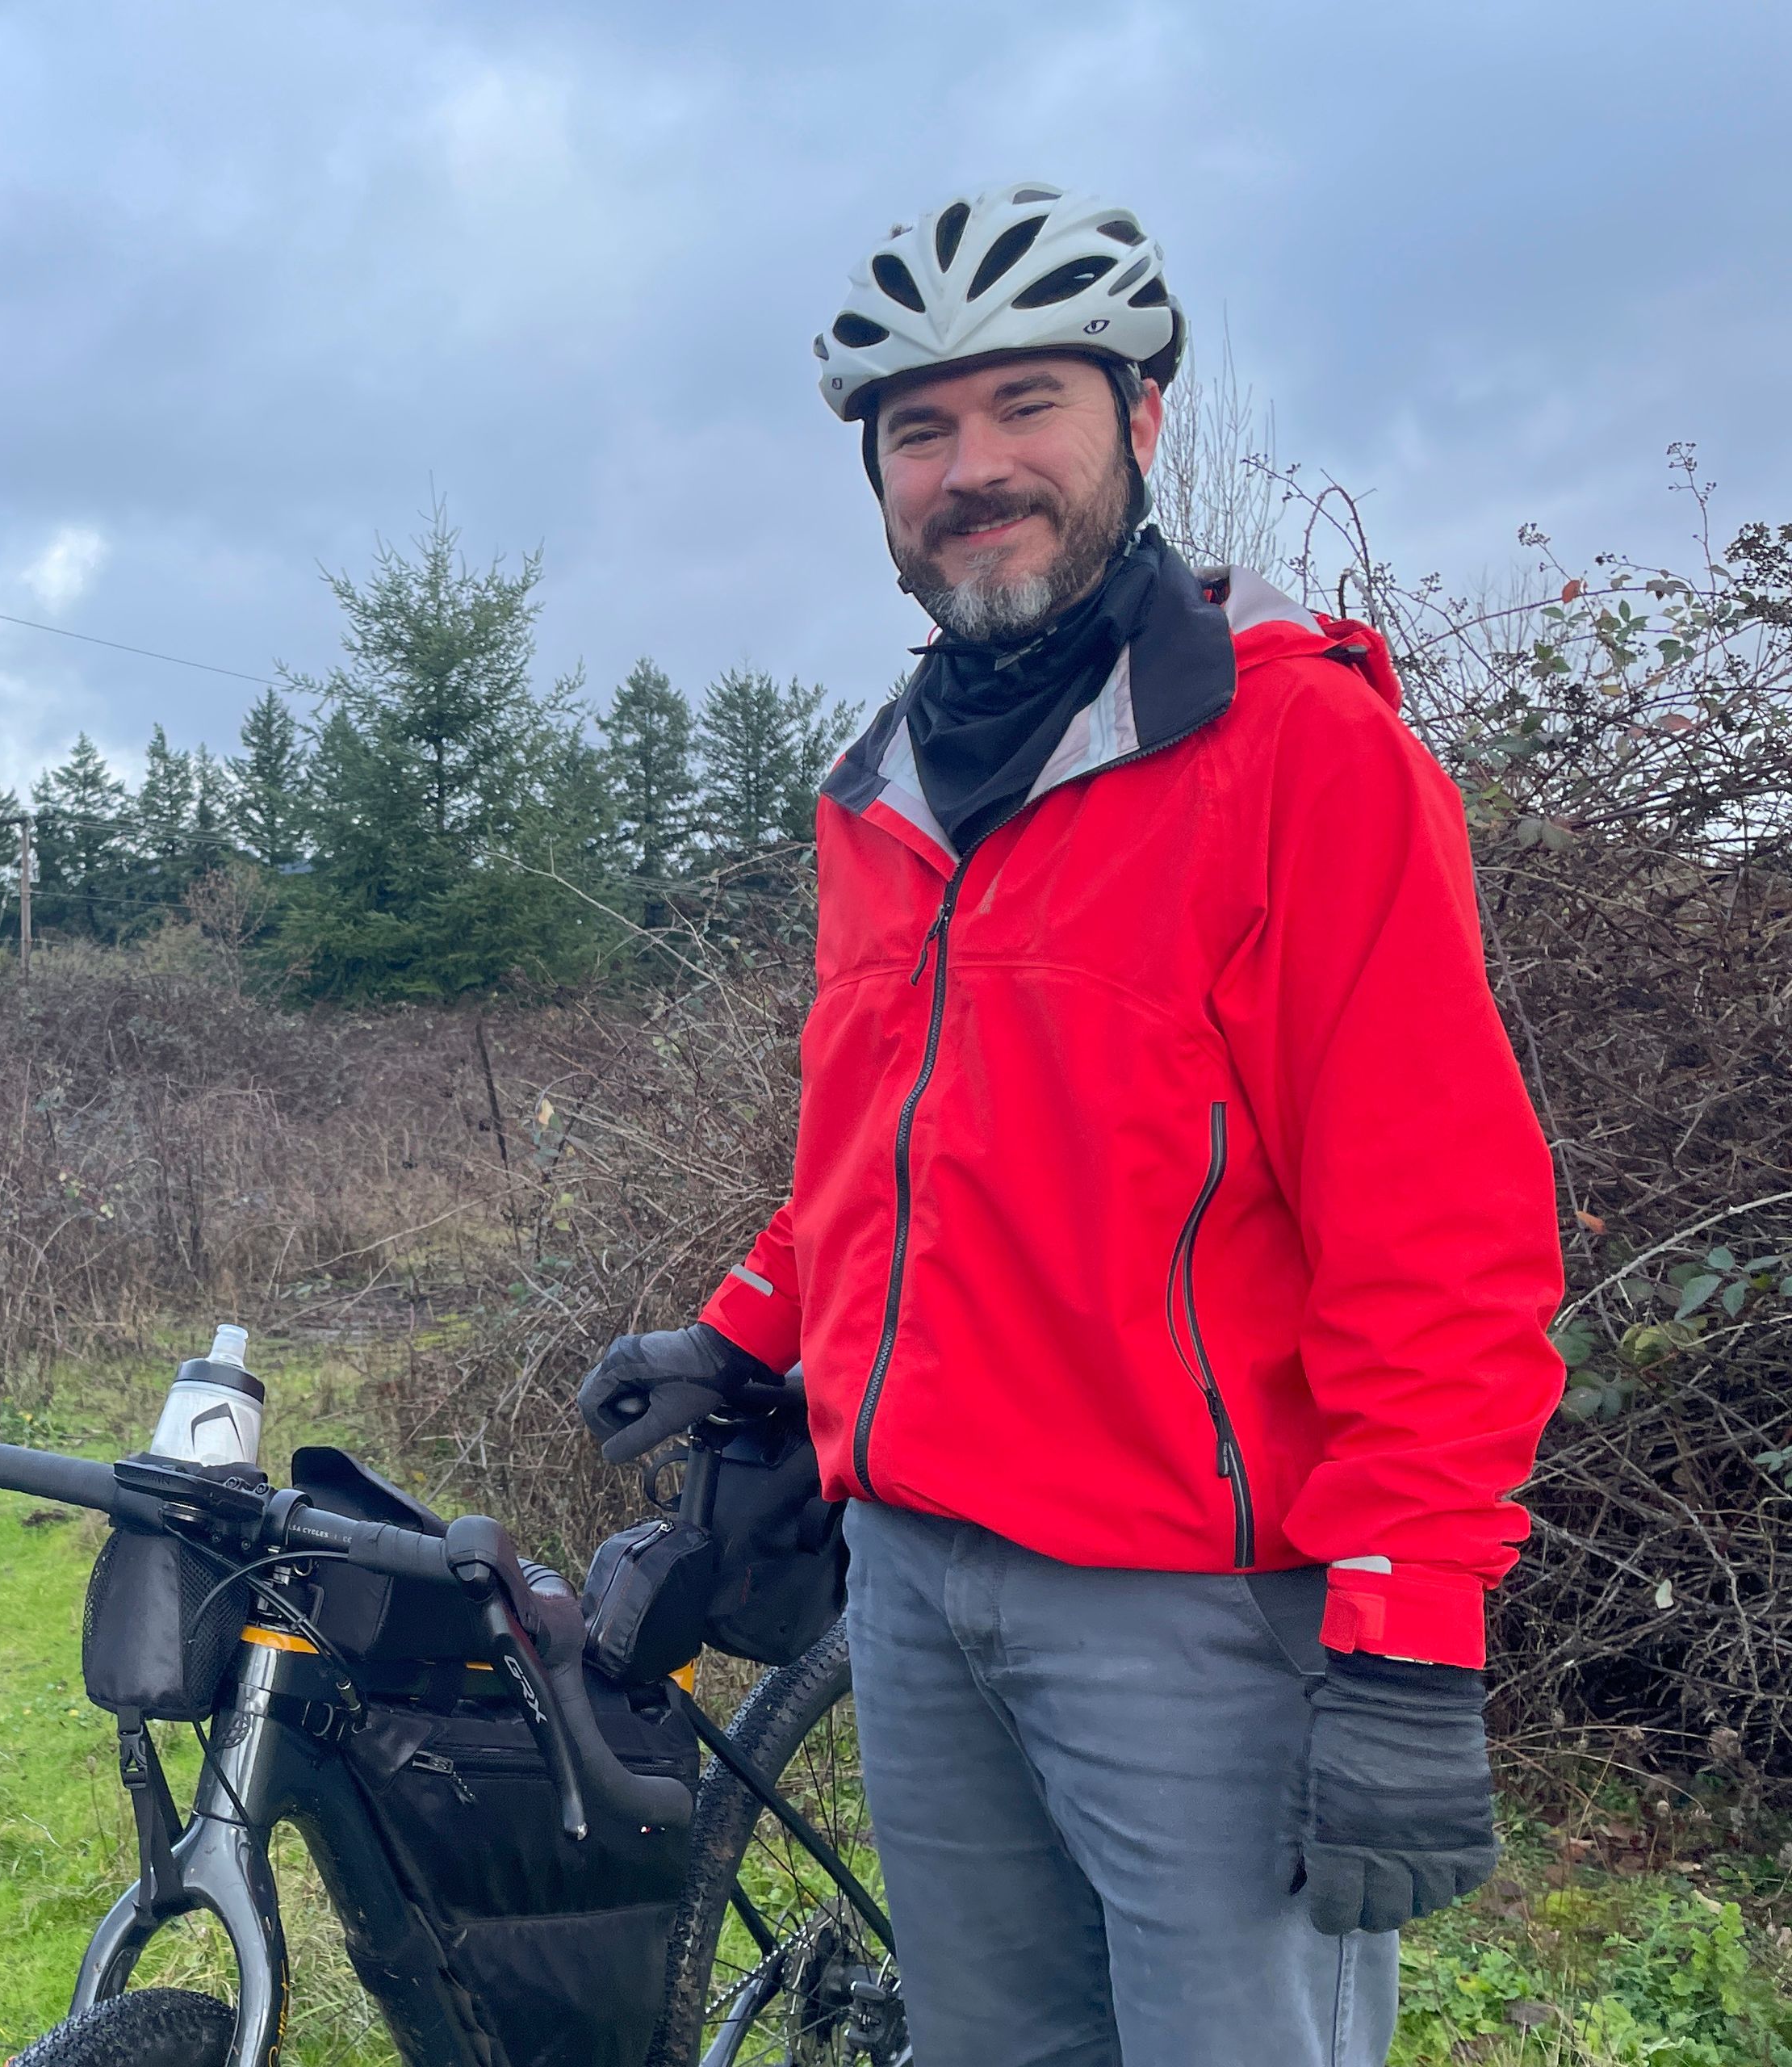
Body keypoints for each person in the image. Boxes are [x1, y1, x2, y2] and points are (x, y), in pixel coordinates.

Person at [578, 181, 1565, 2063]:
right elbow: (895, 1151)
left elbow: (1441, 1228)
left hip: (1192, 1613)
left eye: (1027, 402)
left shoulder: (1297, 749)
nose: (974, 466)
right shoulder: (879, 795)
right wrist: (744, 1321)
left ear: (1143, 417)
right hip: (921, 1586)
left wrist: (1414, 1620)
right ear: (877, 480)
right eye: (921, 430)